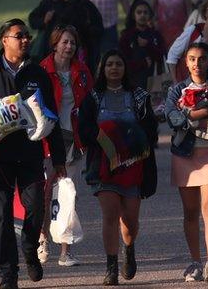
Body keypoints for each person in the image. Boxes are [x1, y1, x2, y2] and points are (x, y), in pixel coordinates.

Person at [0, 19, 67, 289]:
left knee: (35, 208)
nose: (25, 40)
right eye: (19, 35)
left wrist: (58, 158)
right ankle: (8, 274)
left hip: (30, 153)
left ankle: (30, 248)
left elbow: (51, 116)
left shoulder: (37, 75)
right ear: (4, 40)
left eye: (27, 35)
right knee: (3, 216)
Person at [78, 50, 159, 285]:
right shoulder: (93, 98)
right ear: (102, 69)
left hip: (133, 166)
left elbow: (151, 129)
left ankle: (129, 248)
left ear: (125, 69)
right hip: (103, 166)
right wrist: (104, 137)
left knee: (130, 219)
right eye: (110, 64)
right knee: (110, 214)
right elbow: (84, 129)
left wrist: (129, 138)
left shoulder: (139, 96)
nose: (114, 68)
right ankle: (111, 267)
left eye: (118, 64)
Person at [165, 42, 208, 284]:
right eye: (192, 59)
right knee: (191, 212)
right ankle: (195, 261)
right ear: (186, 62)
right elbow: (171, 117)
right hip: (185, 156)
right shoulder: (176, 90)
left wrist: (201, 117)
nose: (197, 63)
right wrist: (199, 114)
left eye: (202, 59)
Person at [38, 25, 94, 266]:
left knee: (68, 193)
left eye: (72, 43)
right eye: (65, 42)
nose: (69, 47)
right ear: (55, 45)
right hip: (47, 138)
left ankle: (65, 250)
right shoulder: (41, 70)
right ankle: (42, 239)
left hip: (73, 138)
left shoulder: (81, 72)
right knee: (44, 192)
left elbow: (91, 104)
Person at [29, 0, 105, 69]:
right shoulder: (49, 3)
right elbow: (32, 20)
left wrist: (84, 29)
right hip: (49, 56)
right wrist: (44, 21)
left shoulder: (86, 6)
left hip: (78, 57)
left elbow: (99, 29)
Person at [118, 0, 167, 90]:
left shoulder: (155, 35)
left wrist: (148, 45)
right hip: (132, 82)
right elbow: (122, 61)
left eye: (145, 12)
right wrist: (142, 64)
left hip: (153, 82)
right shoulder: (126, 36)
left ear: (149, 15)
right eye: (139, 12)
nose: (142, 15)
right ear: (133, 15)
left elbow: (162, 56)